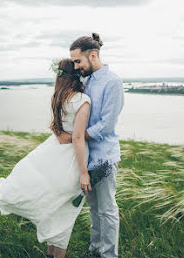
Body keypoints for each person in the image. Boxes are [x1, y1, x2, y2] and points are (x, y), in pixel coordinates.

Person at [0, 59, 92, 258]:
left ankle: (51, 254)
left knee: (56, 210)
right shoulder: (82, 100)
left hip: (52, 153)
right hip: (70, 160)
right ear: (76, 76)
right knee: (65, 214)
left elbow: (60, 133)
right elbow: (77, 138)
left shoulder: (59, 97)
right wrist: (84, 172)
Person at [56, 33, 124, 258]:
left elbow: (106, 125)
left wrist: (78, 136)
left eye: (78, 61)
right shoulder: (86, 81)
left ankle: (108, 255)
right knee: (94, 208)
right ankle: (95, 248)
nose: (76, 67)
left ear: (93, 56)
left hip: (104, 157)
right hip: (86, 158)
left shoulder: (112, 82)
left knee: (107, 209)